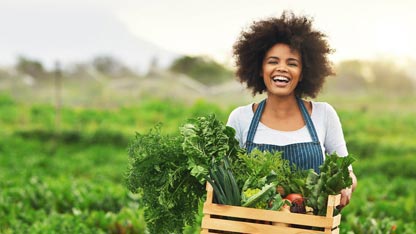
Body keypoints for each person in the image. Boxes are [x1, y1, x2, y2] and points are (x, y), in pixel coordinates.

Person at [226, 11, 357, 209]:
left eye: (292, 63)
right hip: (250, 226)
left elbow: (347, 172)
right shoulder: (240, 118)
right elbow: (223, 175)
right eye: (273, 61)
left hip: (309, 226)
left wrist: (346, 186)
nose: (282, 68)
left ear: (303, 73)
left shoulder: (324, 114)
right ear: (260, 69)